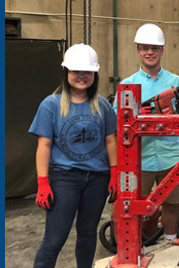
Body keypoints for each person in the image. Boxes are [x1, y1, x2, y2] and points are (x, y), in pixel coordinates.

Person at [29, 43, 116, 268]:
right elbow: (44, 145)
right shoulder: (51, 105)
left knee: (87, 234)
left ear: (94, 74)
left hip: (97, 179)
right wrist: (42, 182)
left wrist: (115, 174)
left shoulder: (103, 105)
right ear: (66, 72)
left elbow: (110, 140)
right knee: (54, 239)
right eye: (76, 71)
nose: (81, 76)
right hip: (64, 179)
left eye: (87, 71)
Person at [120, 23, 179, 244]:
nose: (149, 52)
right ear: (138, 50)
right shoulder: (128, 84)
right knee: (139, 207)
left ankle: (169, 242)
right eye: (144, 48)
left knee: (171, 204)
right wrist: (139, 114)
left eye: (154, 48)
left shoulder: (175, 82)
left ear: (162, 50)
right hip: (140, 159)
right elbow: (118, 123)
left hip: (171, 156)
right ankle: (141, 245)